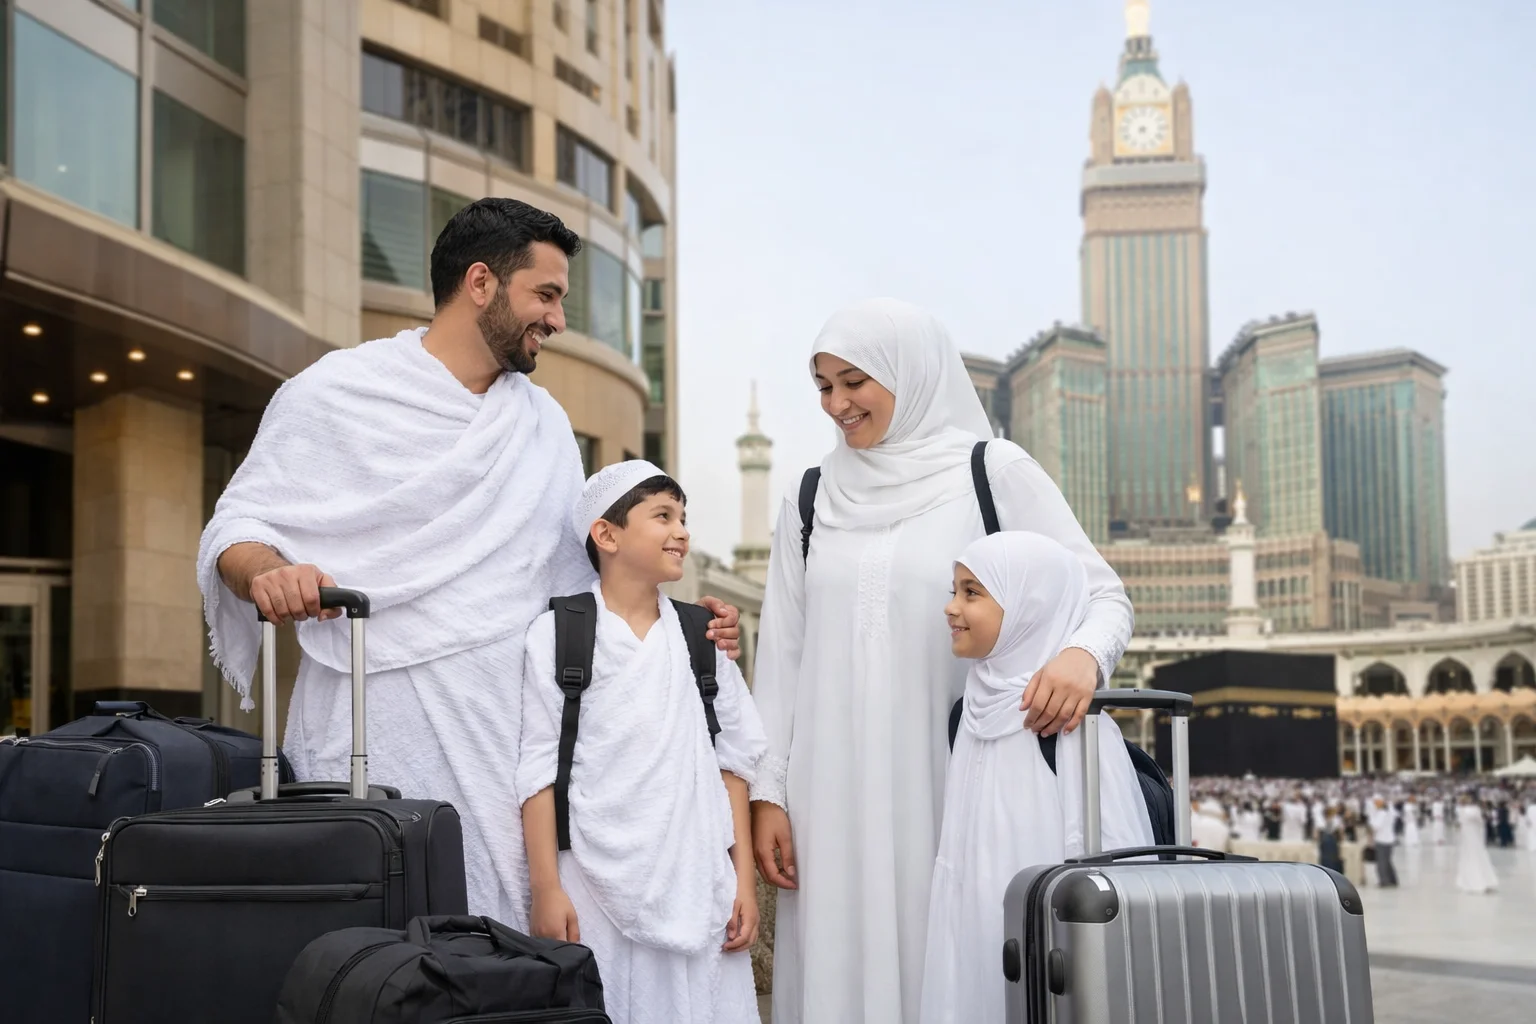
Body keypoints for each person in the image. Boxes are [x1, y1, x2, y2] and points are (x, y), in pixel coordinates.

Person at [197, 199, 740, 926]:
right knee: (364, 947)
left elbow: (581, 584)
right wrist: (269, 571)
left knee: (496, 950)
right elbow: (238, 527)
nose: (558, 319)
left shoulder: (542, 424)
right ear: (481, 282)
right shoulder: (334, 392)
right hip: (367, 723)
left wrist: (684, 627)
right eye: (545, 295)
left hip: (504, 737)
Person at [749, 299, 1133, 1024]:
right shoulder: (809, 498)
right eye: (823, 385)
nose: (837, 404)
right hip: (831, 799)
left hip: (955, 782)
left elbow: (1104, 595)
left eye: (854, 381)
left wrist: (1083, 656)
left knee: (954, 959)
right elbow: (784, 660)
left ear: (911, 372)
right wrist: (771, 794)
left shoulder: (991, 471)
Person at [519, 462, 764, 1024]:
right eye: (662, 515)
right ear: (606, 535)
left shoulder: (702, 638)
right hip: (591, 883)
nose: (681, 530)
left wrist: (741, 882)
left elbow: (734, 764)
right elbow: (537, 769)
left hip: (700, 879)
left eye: (684, 517)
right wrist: (545, 888)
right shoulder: (558, 635)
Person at [919, 532, 1151, 1024]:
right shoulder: (967, 713)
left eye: (972, 592)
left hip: (1051, 957)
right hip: (975, 944)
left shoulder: (1069, 724)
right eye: (954, 590)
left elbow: (1119, 880)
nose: (951, 607)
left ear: (1030, 607)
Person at [1454, 793, 1499, 894]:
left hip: (1466, 838)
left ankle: (1469, 881)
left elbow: (1459, 825)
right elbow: (1480, 822)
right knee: (1478, 856)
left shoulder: (1460, 811)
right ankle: (1485, 880)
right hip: (1475, 836)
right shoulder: (1475, 810)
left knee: (1468, 856)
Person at [1369, 796, 1399, 888]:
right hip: (1390, 839)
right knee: (1388, 861)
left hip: (1381, 839)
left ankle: (1384, 881)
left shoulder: (1381, 813)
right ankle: (1393, 880)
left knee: (1381, 862)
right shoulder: (1390, 812)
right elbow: (1396, 815)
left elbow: (1375, 826)